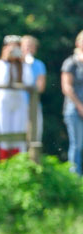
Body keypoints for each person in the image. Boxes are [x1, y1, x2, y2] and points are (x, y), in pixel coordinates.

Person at [0, 35, 28, 160]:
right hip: (5, 101)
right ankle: (5, 165)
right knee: (4, 134)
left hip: (19, 100)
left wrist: (23, 61)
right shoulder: (0, 63)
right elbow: (3, 80)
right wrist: (6, 60)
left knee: (18, 134)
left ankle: (17, 164)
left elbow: (28, 81)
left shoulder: (23, 65)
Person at [61, 30, 83, 175]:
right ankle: (75, 177)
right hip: (74, 109)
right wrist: (80, 106)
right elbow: (66, 87)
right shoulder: (71, 62)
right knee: (77, 144)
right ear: (77, 43)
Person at [21, 35, 46, 142]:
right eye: (26, 46)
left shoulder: (39, 65)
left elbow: (40, 87)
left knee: (36, 135)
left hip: (34, 105)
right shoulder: (15, 64)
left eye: (31, 46)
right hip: (19, 104)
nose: (28, 48)